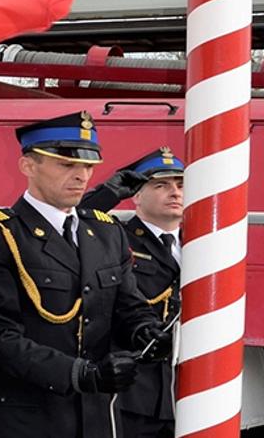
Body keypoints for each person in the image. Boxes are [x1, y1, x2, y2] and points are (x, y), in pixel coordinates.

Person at [0, 110, 168, 438]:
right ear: (28, 166)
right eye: (66, 165)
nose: (81, 176)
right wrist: (78, 374)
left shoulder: (106, 231)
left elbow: (128, 305)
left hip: (94, 415)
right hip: (24, 418)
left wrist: (145, 330)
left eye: (87, 166)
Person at [80, 148, 187, 438]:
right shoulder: (116, 237)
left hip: (185, 390)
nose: (175, 192)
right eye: (161, 185)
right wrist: (110, 193)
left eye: (180, 184)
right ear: (136, 195)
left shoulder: (201, 243)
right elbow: (76, 219)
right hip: (134, 390)